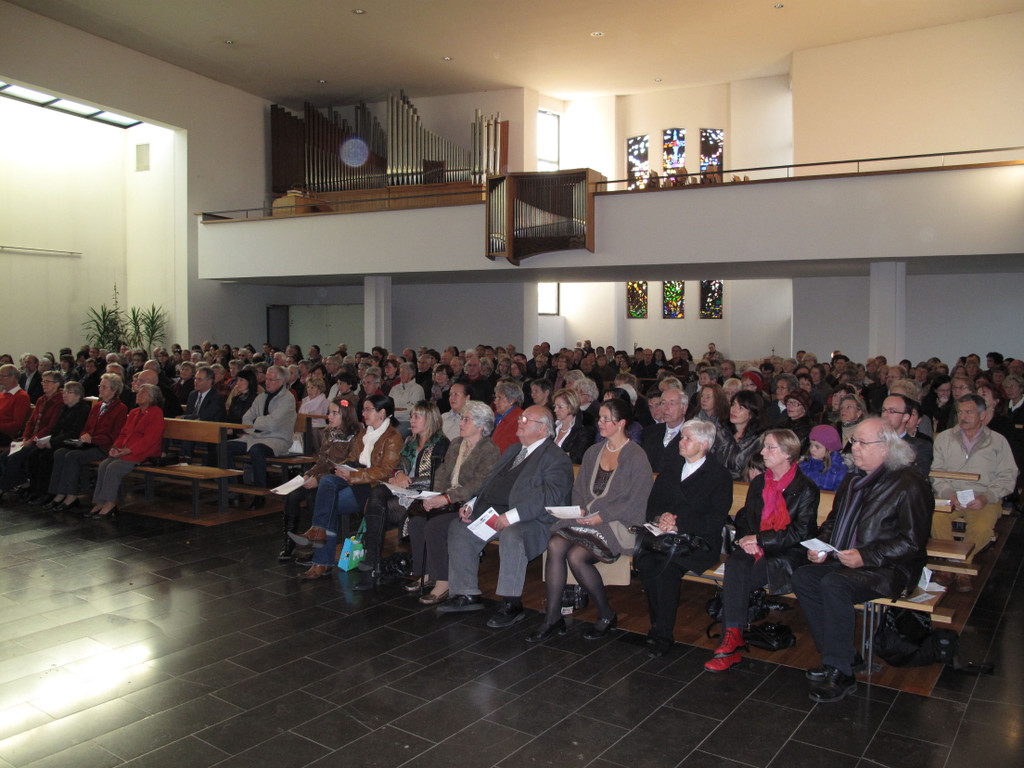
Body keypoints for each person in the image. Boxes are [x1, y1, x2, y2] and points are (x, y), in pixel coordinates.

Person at [794, 418, 933, 703]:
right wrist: (821, 546)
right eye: (853, 441)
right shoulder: (853, 478)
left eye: (861, 443)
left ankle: (841, 672)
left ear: (885, 447)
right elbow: (834, 521)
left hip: (889, 569)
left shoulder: (909, 484)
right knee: (803, 577)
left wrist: (865, 556)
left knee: (835, 585)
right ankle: (846, 655)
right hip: (848, 560)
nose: (853, 448)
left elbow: (912, 543)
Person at [528, 398, 653, 643]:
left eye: (607, 419)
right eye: (600, 418)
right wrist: (582, 511)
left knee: (576, 555)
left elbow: (635, 500)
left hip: (618, 524)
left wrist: (600, 517)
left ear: (622, 423)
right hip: (587, 520)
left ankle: (606, 615)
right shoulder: (594, 451)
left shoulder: (636, 457)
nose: (600, 423)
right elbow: (580, 490)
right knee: (554, 544)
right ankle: (552, 617)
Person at [436, 405, 574, 627]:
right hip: (498, 512)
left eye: (526, 419)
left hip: (534, 520)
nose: (520, 421)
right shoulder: (513, 450)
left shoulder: (555, 458)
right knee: (460, 528)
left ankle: (512, 604)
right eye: (521, 417)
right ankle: (466, 594)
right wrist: (473, 503)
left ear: (542, 429)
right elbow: (490, 482)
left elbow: (551, 497)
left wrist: (514, 515)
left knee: (512, 535)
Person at [705, 428, 820, 671]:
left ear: (788, 453)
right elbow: (747, 516)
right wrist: (749, 537)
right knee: (736, 565)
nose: (763, 452)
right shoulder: (759, 483)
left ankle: (730, 643)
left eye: (770, 448)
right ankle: (731, 639)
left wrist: (760, 539)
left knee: (739, 575)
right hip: (759, 545)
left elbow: (801, 533)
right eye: (764, 446)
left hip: (787, 553)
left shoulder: (806, 488)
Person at [636, 420, 733, 658]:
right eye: (682, 437)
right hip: (665, 536)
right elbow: (653, 506)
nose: (681, 442)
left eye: (688, 438)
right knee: (647, 561)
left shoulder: (718, 476)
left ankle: (662, 633)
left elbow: (715, 519)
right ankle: (658, 624)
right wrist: (662, 517)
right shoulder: (672, 469)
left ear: (704, 444)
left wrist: (679, 523)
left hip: (698, 541)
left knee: (666, 568)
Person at [288, 394, 402, 579]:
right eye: (363, 409)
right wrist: (343, 468)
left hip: (373, 486)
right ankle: (318, 534)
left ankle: (321, 559)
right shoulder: (364, 433)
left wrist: (353, 475)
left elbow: (386, 472)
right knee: (327, 482)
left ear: (382, 413)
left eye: (368, 409)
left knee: (327, 503)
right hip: (355, 477)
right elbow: (353, 459)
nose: (363, 413)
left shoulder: (393, 437)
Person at [404, 401, 501, 604]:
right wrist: (433, 496)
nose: (461, 423)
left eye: (467, 419)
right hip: (447, 499)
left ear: (481, 425)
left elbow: (478, 484)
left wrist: (446, 498)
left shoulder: (489, 449)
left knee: (435, 527)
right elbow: (442, 472)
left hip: (469, 504)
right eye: (462, 418)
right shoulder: (457, 443)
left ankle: (444, 581)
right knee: (416, 522)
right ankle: (428, 573)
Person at [356, 401, 449, 590]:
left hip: (423, 496)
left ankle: (372, 564)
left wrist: (408, 481)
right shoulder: (410, 441)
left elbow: (437, 480)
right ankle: (373, 561)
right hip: (404, 491)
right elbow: (398, 467)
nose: (411, 420)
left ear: (430, 419)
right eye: (412, 415)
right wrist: (398, 475)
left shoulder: (441, 444)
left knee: (379, 505)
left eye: (417, 416)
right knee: (377, 493)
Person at [930, 394, 1017, 591]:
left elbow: (1008, 475)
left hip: (983, 496)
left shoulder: (997, 441)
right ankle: (956, 567)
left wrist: (987, 497)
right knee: (935, 518)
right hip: (949, 495)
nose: (963, 417)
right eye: (960, 412)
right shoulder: (944, 438)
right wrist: (948, 493)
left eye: (968, 412)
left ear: (982, 415)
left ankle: (959, 566)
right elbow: (937, 473)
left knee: (983, 526)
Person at [276, 397, 360, 562]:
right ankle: (288, 544)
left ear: (346, 415)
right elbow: (322, 461)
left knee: (313, 495)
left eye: (335, 413)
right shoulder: (328, 432)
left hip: (339, 479)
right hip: (324, 475)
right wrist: (309, 475)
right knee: (293, 494)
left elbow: (348, 464)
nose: (330, 416)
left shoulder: (354, 435)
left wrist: (318, 479)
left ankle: (318, 549)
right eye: (329, 412)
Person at [44, 373, 129, 512]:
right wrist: (84, 435)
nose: (100, 389)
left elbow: (115, 435)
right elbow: (86, 428)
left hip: (104, 446)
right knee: (60, 453)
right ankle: (59, 493)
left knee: (72, 456)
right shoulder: (97, 406)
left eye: (103, 387)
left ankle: (71, 496)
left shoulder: (121, 408)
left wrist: (93, 439)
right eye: (100, 386)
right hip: (89, 444)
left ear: (113, 390)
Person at [86, 382, 165, 520]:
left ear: (151, 398)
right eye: (138, 392)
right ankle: (99, 502)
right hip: (126, 451)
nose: (138, 395)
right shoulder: (134, 412)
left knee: (114, 468)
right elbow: (123, 434)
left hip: (144, 452)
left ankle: (110, 503)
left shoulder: (156, 413)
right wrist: (115, 448)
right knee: (104, 465)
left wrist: (129, 450)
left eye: (142, 393)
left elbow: (149, 439)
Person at [226, 364, 297, 506]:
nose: (267, 383)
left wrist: (256, 423)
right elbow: (246, 418)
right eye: (266, 379)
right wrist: (257, 426)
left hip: (278, 439)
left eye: (271, 380)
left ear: (281, 381)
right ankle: (233, 490)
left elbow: (273, 423)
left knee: (256, 450)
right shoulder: (261, 397)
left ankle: (260, 493)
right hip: (256, 437)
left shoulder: (287, 399)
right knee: (225, 447)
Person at [23, 380, 92, 505]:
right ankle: (35, 489)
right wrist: (46, 440)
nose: (64, 395)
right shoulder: (65, 408)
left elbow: (74, 432)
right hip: (57, 440)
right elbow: (56, 428)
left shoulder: (83, 409)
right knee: (33, 455)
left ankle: (48, 492)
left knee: (46, 456)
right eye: (64, 392)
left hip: (70, 442)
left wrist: (53, 443)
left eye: (68, 392)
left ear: (78, 395)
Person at [0, 371, 63, 497]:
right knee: (3, 456)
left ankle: (3, 487)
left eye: (47, 381)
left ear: (56, 384)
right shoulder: (41, 399)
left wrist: (32, 440)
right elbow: (31, 422)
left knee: (14, 458)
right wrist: (25, 437)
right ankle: (22, 482)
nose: (43, 384)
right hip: (30, 438)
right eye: (43, 381)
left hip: (43, 440)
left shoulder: (59, 401)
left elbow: (50, 427)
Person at [711, 390, 768, 480]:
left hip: (743, 485)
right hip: (717, 482)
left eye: (740, 408)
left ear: (751, 414)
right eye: (733, 405)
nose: (734, 410)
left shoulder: (759, 440)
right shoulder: (720, 433)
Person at [641, 388, 688, 474]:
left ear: (684, 408)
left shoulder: (692, 435)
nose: (666, 408)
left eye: (672, 403)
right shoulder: (649, 433)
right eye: (663, 403)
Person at [551, 387, 595, 464]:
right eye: (555, 406)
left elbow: (576, 458)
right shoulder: (553, 425)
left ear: (571, 406)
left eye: (560, 407)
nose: (555, 410)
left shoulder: (584, 429)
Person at [798, 424, 848, 491]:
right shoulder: (803, 465)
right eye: (811, 444)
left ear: (829, 449)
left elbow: (838, 497)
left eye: (817, 447)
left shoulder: (839, 471)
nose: (812, 449)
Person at [490, 379, 525, 454]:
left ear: (511, 400)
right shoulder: (496, 415)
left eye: (499, 398)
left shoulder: (520, 419)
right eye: (495, 398)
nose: (495, 402)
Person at [0, 364, 31, 448]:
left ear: (12, 377)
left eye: (2, 376)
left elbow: (16, 425)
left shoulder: (21, 397)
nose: (0, 378)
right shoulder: (2, 394)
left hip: (7, 435)